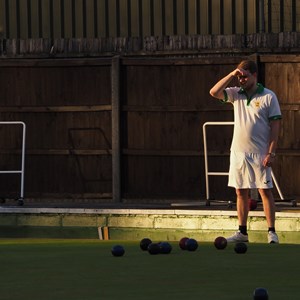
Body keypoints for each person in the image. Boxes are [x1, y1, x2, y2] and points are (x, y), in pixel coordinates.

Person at [209, 60, 282, 243]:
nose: (241, 80)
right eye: (240, 76)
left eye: (245, 76)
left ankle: (271, 232)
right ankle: (242, 232)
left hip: (260, 152)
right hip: (238, 152)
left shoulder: (268, 96)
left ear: (255, 75)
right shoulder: (235, 93)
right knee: (240, 192)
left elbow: (275, 126)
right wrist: (232, 74)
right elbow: (214, 92)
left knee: (264, 190)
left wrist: (271, 152)